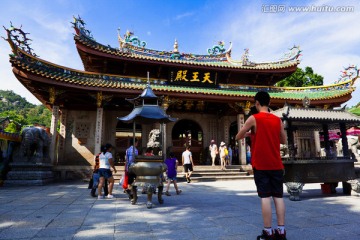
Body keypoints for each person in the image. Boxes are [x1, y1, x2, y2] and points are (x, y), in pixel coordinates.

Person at [235, 91, 287, 240]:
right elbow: (283, 140)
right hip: (276, 164)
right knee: (278, 196)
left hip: (261, 165)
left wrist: (249, 134)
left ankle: (268, 231)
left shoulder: (253, 118)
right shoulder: (277, 120)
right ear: (269, 103)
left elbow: (238, 136)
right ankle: (281, 231)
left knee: (265, 197)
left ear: (257, 103)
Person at [125, 138, 139, 204]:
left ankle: (130, 192)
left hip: (128, 167)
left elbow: (127, 160)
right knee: (135, 182)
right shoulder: (135, 150)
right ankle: (133, 194)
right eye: (137, 142)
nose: (137, 144)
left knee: (129, 182)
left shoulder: (127, 150)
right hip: (134, 167)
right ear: (135, 142)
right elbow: (134, 159)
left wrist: (126, 168)